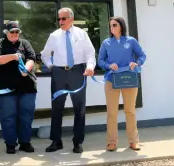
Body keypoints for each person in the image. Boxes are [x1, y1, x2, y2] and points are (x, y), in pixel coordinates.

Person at [40, 8, 96, 154]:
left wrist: (90, 67)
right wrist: (51, 67)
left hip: (78, 71)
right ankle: (56, 141)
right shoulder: (54, 36)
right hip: (59, 73)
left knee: (79, 109)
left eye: (63, 19)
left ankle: (78, 142)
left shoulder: (81, 34)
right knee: (57, 108)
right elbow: (44, 54)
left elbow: (90, 53)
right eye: (59, 19)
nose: (60, 22)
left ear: (71, 19)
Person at [97, 16, 146, 152]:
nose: (112, 28)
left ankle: (134, 141)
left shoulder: (131, 41)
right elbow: (100, 60)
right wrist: (108, 65)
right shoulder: (106, 43)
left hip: (129, 79)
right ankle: (111, 142)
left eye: (114, 25)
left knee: (130, 111)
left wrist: (137, 63)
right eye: (110, 26)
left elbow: (142, 55)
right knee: (112, 113)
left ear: (121, 26)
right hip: (111, 81)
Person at [0, 21, 38, 154]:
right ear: (6, 32)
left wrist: (26, 69)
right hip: (5, 87)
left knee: (26, 116)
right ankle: (10, 144)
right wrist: (13, 56)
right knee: (8, 117)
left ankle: (25, 142)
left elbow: (31, 58)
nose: (14, 34)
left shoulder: (25, 44)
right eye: (12, 32)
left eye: (17, 32)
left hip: (27, 87)